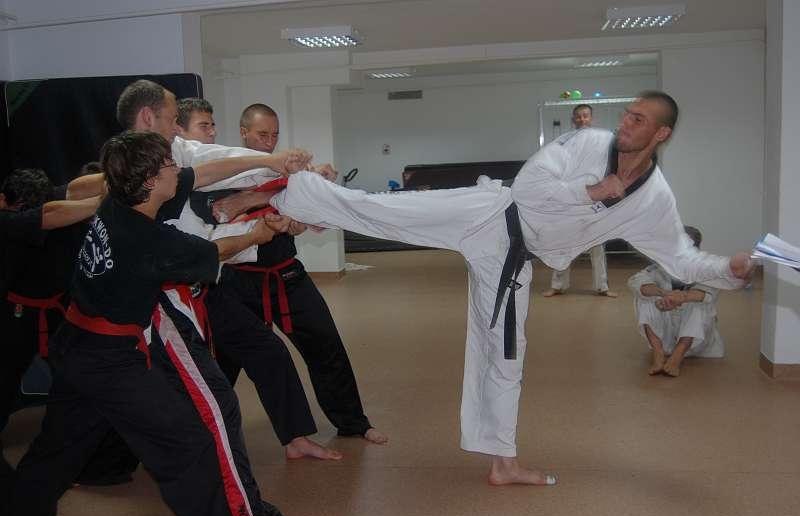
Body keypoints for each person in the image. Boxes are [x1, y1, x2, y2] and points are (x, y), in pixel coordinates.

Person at [218, 90, 753, 486]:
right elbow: (530, 185)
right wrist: (592, 190)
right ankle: (276, 194)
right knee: (382, 209)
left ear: (662, 134)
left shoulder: (654, 199)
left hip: (512, 259)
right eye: (628, 114)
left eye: (640, 120)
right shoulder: (590, 143)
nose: (627, 124)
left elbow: (680, 256)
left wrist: (729, 270)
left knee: (504, 354)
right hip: (490, 211)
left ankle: (503, 462)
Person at [6, 131, 313, 516]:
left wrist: (267, 161)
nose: (178, 169)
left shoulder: (117, 201)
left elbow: (203, 174)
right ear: (151, 181)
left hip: (75, 347)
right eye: (170, 164)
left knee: (56, 451)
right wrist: (257, 234)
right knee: (188, 443)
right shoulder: (149, 240)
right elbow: (216, 251)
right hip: (110, 361)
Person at [194, 103, 387, 446]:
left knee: (326, 346)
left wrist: (308, 191)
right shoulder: (223, 173)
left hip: (286, 276)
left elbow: (302, 217)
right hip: (237, 282)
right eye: (261, 134)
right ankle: (200, 430)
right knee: (223, 361)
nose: (269, 142)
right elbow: (221, 214)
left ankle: (353, 422)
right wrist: (279, 192)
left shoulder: (285, 172)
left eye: (274, 135)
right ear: (243, 133)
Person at [0, 168, 105, 496]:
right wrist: (106, 201)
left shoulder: (55, 206)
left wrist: (119, 178)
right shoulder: (10, 221)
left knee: (75, 384)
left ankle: (71, 461)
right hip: (13, 317)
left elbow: (70, 192)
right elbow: (49, 215)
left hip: (59, 312)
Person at [628, 226, 724, 377]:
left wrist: (681, 298)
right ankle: (658, 354)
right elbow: (636, 282)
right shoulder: (658, 269)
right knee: (645, 297)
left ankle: (677, 357)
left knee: (699, 303)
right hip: (666, 342)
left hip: (698, 345)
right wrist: (665, 294)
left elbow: (708, 292)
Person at [543, 104, 617, 298]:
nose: (582, 119)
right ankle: (558, 285)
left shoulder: (602, 142)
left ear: (591, 118)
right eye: (578, 116)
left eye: (585, 116)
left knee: (597, 246)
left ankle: (602, 287)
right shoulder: (565, 142)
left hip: (593, 199)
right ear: (573, 120)